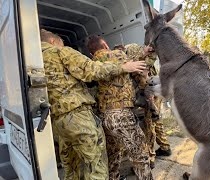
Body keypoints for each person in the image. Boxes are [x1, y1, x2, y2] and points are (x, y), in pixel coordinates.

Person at [40, 29, 146, 180]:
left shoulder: (33, 61)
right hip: (77, 116)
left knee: (71, 168)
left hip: (57, 122)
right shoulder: (60, 52)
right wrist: (124, 67)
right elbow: (91, 70)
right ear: (52, 41)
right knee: (96, 166)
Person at [86, 35, 153, 180]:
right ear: (105, 45)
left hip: (103, 117)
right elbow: (136, 68)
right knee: (140, 154)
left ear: (92, 52)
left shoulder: (91, 63)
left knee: (113, 155)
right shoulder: (117, 54)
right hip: (121, 114)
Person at [125, 43, 172, 169]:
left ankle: (150, 158)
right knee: (157, 121)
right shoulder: (148, 60)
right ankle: (165, 146)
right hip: (154, 92)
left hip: (149, 94)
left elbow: (143, 80)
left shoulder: (141, 63)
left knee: (149, 126)